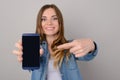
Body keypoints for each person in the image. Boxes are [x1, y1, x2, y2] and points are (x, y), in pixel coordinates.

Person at [13, 4, 98, 80]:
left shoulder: (70, 45)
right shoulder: (35, 47)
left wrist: (91, 45)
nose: (49, 23)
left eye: (54, 18)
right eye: (43, 19)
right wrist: (27, 57)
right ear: (39, 23)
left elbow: (88, 56)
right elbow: (31, 68)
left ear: (60, 22)